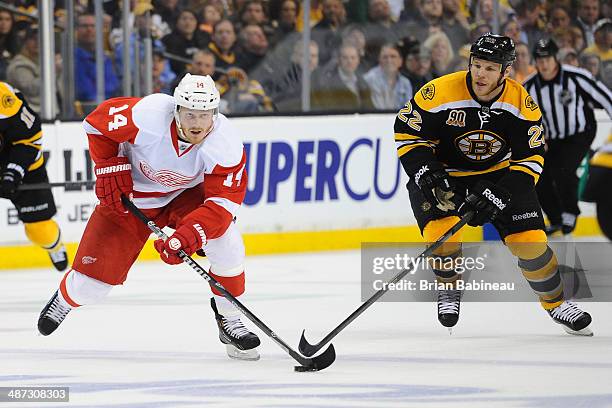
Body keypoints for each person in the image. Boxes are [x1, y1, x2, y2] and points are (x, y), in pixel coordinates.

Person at [37, 74, 261, 361]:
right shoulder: (149, 114)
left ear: (214, 114)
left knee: (226, 241)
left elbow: (222, 204)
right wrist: (109, 164)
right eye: (190, 114)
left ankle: (230, 318)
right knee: (89, 288)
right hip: (131, 197)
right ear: (177, 110)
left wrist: (191, 233)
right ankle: (65, 299)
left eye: (205, 115)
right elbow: (96, 122)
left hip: (185, 195)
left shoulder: (225, 142)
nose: (197, 123)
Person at [394, 33, 593, 336]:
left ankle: (556, 303)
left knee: (530, 244)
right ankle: (449, 289)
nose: (480, 74)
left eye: (489, 68)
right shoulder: (440, 92)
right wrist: (427, 172)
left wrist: (501, 193)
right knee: (441, 235)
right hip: (447, 174)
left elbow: (532, 158)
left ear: (505, 71)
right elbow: (408, 133)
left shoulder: (521, 104)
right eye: (476, 65)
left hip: (500, 176)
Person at [523, 39, 612, 235]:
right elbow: (521, 118)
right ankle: (555, 218)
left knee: (564, 170)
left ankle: (570, 212)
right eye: (539, 59)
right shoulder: (529, 86)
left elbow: (605, 98)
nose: (544, 64)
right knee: (537, 175)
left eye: (547, 59)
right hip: (548, 139)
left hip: (579, 133)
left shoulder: (576, 77)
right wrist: (536, 139)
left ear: (556, 58)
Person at [0, 81, 67, 271]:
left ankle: (54, 246)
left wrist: (13, 171)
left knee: (41, 230)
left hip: (23, 166)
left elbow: (30, 139)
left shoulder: (3, 98)